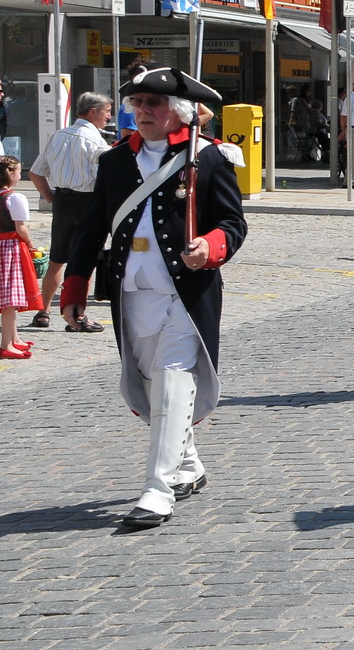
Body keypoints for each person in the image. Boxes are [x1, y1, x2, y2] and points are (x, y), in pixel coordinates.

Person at [59, 68, 247, 530]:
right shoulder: (116, 160)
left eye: (154, 104)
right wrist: (76, 285)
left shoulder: (209, 159)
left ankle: (157, 488)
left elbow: (233, 224)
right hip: (130, 290)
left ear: (177, 111)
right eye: (138, 103)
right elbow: (91, 228)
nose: (143, 111)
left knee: (172, 379)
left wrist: (211, 246)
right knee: (148, 383)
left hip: (185, 292)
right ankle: (188, 465)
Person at [29, 92, 114, 332]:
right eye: (107, 111)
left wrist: (52, 198)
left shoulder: (58, 136)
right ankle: (78, 315)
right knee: (84, 260)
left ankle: (43, 312)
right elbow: (104, 179)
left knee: (56, 260)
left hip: (63, 202)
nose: (109, 116)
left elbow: (36, 172)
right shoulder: (95, 142)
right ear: (93, 112)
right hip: (88, 203)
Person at [0, 156, 41, 359]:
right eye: (17, 171)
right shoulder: (14, 198)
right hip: (10, 248)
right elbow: (20, 228)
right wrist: (31, 245)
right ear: (10, 174)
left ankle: (14, 338)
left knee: (10, 296)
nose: (19, 175)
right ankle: (6, 344)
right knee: (10, 299)